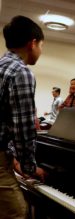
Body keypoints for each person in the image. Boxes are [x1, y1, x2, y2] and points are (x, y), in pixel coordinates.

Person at [0, 15, 46, 218]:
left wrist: (14, 159)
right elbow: (23, 127)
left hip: (4, 155)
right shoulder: (21, 72)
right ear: (32, 43)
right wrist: (29, 167)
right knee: (18, 212)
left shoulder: (2, 65)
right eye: (42, 45)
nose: (41, 51)